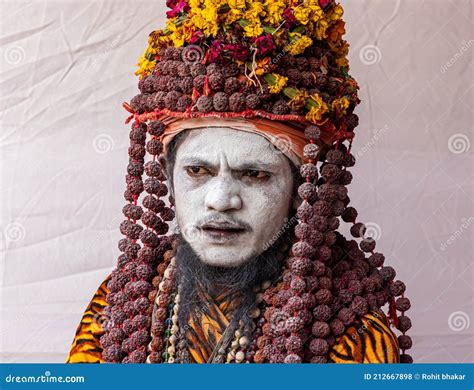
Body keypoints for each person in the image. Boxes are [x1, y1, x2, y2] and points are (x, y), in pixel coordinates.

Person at [67, 0, 413, 364]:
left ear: (301, 190)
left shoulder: (348, 331)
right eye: (197, 171)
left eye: (255, 174)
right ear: (168, 177)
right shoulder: (120, 306)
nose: (220, 200)